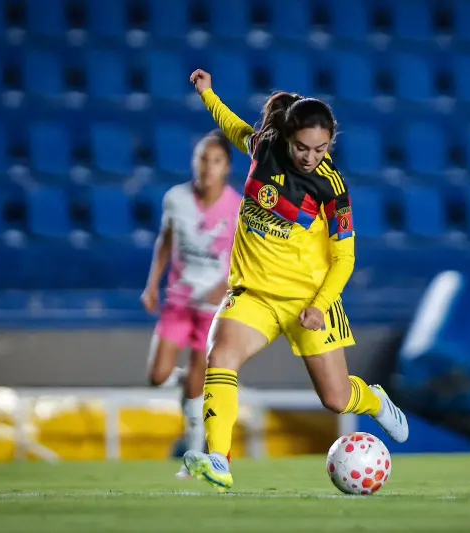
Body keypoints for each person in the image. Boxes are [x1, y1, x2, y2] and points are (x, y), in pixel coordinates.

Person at [181, 68, 409, 491]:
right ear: (287, 137)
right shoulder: (262, 150)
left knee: (336, 399)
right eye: (303, 147)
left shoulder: (331, 188)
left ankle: (374, 398)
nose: (310, 157)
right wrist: (209, 94)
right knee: (221, 356)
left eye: (320, 149)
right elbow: (232, 126)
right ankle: (218, 459)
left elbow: (345, 257)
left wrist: (320, 307)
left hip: (309, 300)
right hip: (254, 295)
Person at [141, 130, 242, 479]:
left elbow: (244, 257)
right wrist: (152, 283)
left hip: (213, 307)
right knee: (157, 376)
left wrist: (224, 286)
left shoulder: (237, 207)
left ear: (227, 167)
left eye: (216, 160)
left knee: (202, 376)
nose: (208, 167)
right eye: (202, 158)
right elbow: (166, 240)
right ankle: (188, 386)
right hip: (180, 300)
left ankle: (195, 454)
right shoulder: (176, 199)